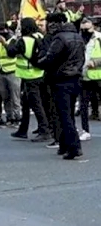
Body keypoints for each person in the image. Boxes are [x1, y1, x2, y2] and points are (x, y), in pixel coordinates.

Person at [36, 12, 85, 159]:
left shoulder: (59, 38)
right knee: (68, 113)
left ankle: (74, 147)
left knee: (64, 115)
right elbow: (82, 58)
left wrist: (39, 62)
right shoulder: (77, 37)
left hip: (61, 79)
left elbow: (51, 58)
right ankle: (64, 145)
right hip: (75, 78)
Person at [7, 18, 51, 142]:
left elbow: (11, 52)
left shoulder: (23, 40)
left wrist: (14, 38)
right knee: (26, 103)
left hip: (29, 76)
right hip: (39, 73)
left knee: (36, 104)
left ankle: (44, 130)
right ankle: (23, 129)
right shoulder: (39, 36)